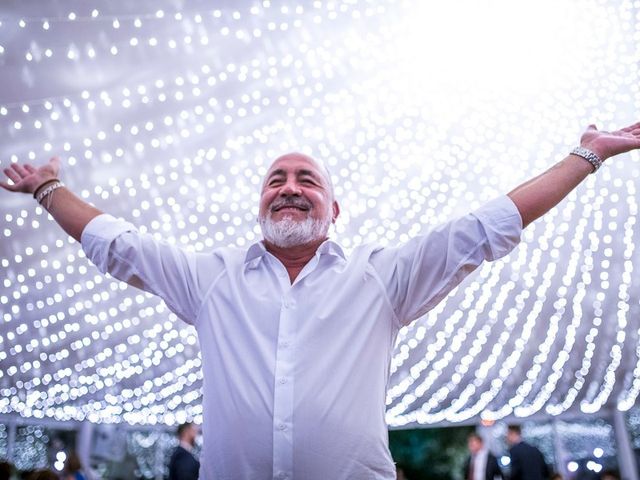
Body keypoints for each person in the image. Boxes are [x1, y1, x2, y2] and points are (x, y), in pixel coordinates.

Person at [2, 122, 640, 480]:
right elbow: (120, 245)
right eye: (275, 179)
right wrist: (50, 188)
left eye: (306, 179)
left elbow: (483, 229)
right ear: (261, 204)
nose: (288, 187)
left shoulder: (380, 278)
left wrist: (586, 154)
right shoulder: (211, 278)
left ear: (332, 210)